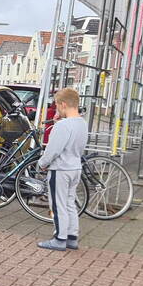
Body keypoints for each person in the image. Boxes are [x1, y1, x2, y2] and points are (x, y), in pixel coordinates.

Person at [36, 87, 88, 251]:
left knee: (58, 205)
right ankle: (72, 237)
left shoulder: (62, 126)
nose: (56, 110)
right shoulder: (82, 123)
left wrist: (42, 163)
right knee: (69, 203)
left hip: (60, 169)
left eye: (57, 106)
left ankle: (59, 238)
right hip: (75, 167)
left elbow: (53, 150)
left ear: (63, 104)